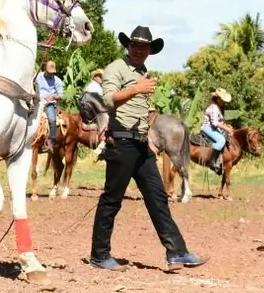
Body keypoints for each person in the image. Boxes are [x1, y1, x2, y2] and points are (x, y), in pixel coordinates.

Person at [89, 25, 206, 271]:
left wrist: (150, 138)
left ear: (150, 51)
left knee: (158, 197)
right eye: (135, 45)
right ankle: (99, 255)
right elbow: (108, 99)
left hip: (141, 144)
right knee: (112, 199)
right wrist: (136, 89)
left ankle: (177, 252)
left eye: (145, 47)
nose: (139, 50)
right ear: (128, 45)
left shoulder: (143, 71)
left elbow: (145, 111)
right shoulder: (116, 68)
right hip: (121, 141)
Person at [199, 89, 233, 174]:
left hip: (214, 127)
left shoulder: (220, 108)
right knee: (221, 140)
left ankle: (221, 161)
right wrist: (226, 129)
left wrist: (227, 126)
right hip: (207, 127)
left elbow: (221, 122)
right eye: (222, 99)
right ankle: (212, 161)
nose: (223, 102)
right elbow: (214, 123)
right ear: (217, 98)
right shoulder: (213, 108)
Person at [79, 69, 108, 158]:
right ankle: (102, 141)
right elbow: (102, 100)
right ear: (96, 77)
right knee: (106, 116)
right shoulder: (94, 87)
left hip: (87, 108)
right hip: (91, 107)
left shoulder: (92, 85)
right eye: (100, 76)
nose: (102, 79)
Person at [35, 60, 63, 153]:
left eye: (53, 73)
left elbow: (61, 96)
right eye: (49, 72)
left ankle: (51, 140)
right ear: (45, 70)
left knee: (52, 119)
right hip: (36, 100)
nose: (51, 74)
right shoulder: (38, 76)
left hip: (49, 103)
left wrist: (53, 96)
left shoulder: (57, 80)